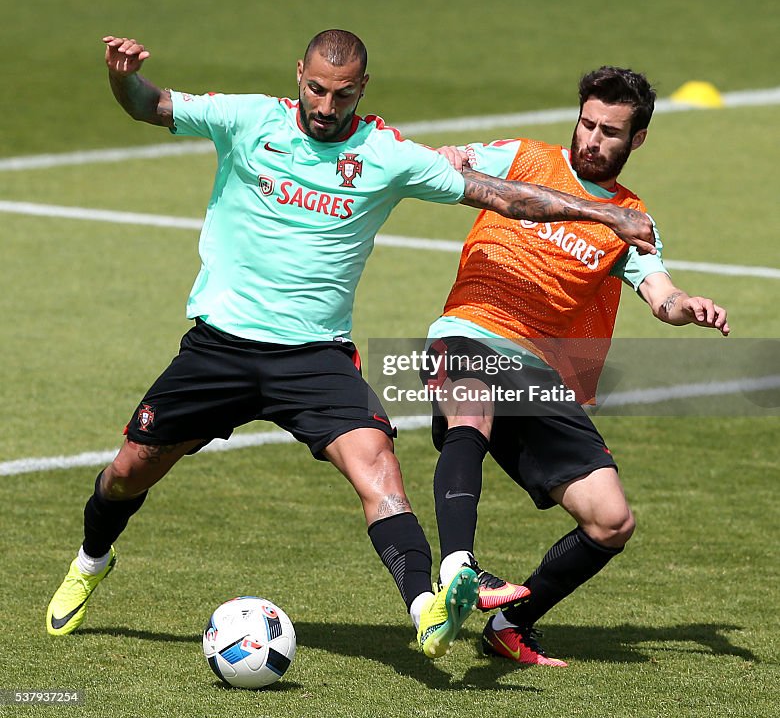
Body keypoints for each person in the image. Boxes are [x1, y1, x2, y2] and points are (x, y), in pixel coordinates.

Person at [46, 34, 655, 662]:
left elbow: (503, 195)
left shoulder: (386, 154)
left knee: (381, 472)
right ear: (299, 77)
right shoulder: (248, 119)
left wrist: (602, 215)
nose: (326, 105)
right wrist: (122, 77)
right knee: (126, 474)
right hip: (219, 349)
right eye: (315, 88)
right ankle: (92, 559)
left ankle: (426, 609)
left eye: (341, 94)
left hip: (316, 358)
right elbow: (150, 103)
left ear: (361, 89)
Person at [422, 66, 729, 666]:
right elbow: (453, 161)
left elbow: (659, 293)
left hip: (538, 371)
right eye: (586, 123)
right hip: (470, 330)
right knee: (471, 412)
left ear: (636, 140)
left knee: (612, 520)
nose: (591, 139)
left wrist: (684, 306)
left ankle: (511, 621)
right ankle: (459, 571)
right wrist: (454, 153)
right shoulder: (525, 159)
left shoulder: (632, 220)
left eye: (609, 132)